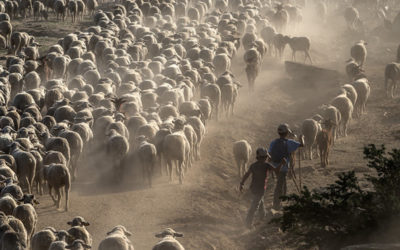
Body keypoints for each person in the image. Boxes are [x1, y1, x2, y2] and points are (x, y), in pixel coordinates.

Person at [239, 147, 285, 229]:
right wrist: (282, 163)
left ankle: (263, 216)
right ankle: (248, 224)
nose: (266, 158)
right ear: (264, 157)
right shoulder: (266, 165)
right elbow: (277, 171)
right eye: (265, 157)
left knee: (260, 202)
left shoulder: (253, 165)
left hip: (253, 188)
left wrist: (242, 183)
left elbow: (247, 174)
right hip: (260, 189)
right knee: (254, 207)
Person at [269, 123, 304, 210]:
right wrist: (302, 138)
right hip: (283, 168)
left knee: (282, 182)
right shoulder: (289, 142)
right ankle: (276, 204)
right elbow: (302, 145)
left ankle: (282, 199)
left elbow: (269, 154)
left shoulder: (273, 142)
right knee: (279, 185)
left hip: (275, 167)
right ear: (287, 133)